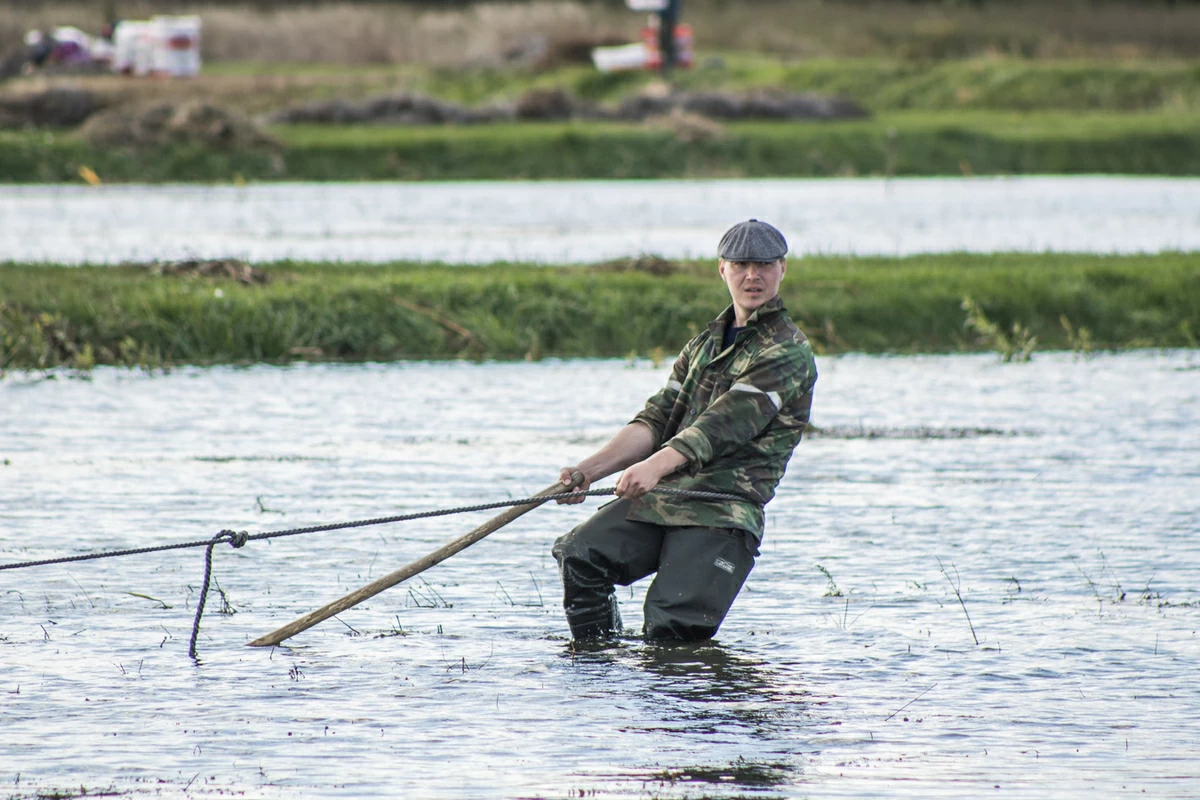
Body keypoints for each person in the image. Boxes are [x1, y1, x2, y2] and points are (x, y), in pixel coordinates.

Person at [552, 219, 818, 642]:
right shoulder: (703, 345)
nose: (753, 275)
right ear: (722, 270)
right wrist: (587, 472)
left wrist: (654, 468)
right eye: (741, 264)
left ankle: (677, 700)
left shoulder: (786, 350)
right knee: (580, 555)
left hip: (722, 509)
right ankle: (597, 678)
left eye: (764, 264)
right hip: (665, 499)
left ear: (782, 269)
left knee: (670, 630)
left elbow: (721, 426)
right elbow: (656, 420)